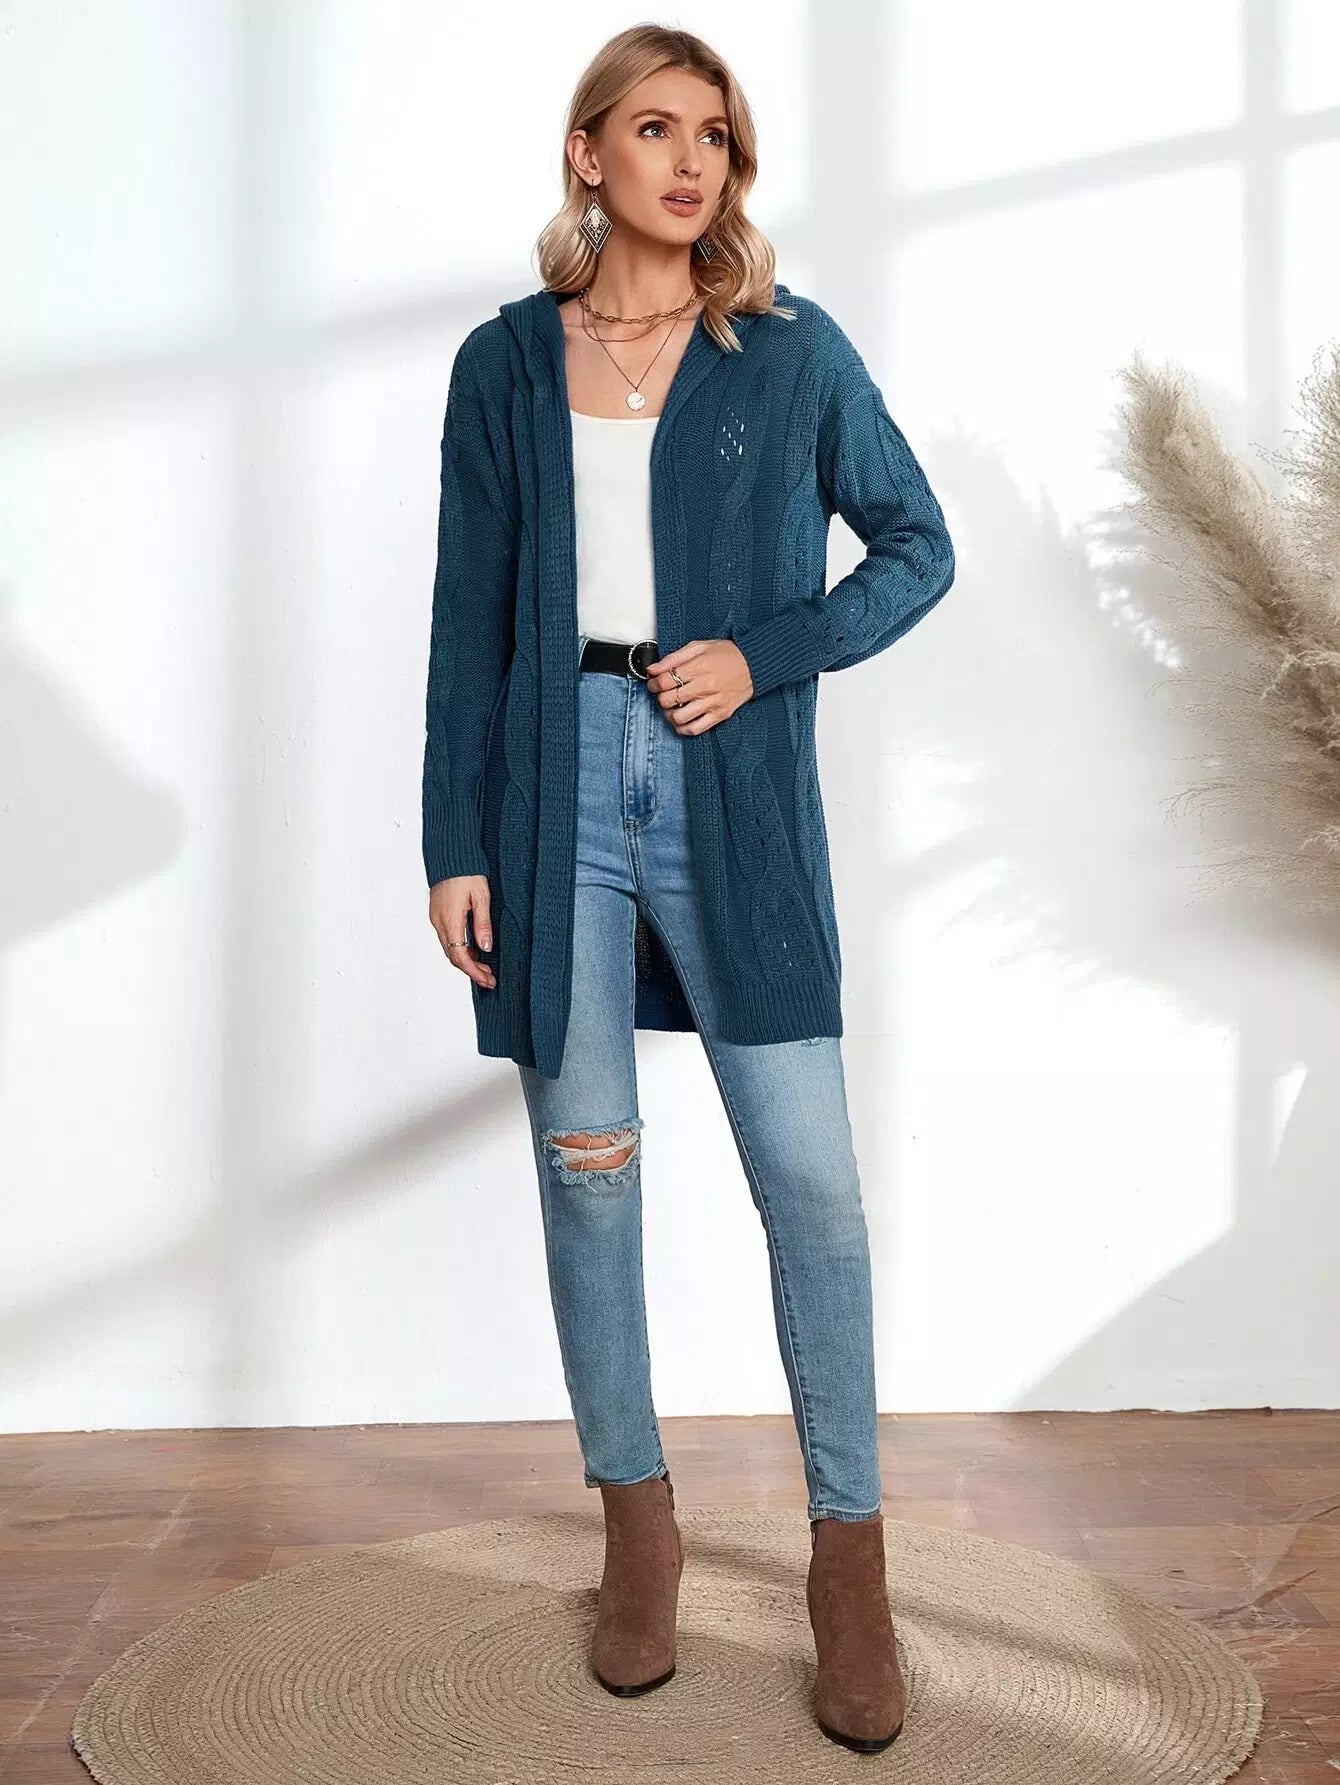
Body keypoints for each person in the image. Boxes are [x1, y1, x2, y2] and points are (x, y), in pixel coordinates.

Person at [421, 23, 954, 1755]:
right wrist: (453, 842)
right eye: (654, 130)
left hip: (729, 784)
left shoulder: (789, 352)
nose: (688, 163)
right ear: (590, 153)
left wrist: (768, 651)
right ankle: (635, 1526)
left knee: (814, 1188)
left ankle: (848, 1565)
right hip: (552, 781)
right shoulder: (507, 364)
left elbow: (919, 547)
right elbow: (467, 616)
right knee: (589, 1172)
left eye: (713, 137)